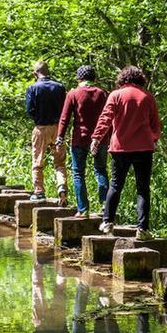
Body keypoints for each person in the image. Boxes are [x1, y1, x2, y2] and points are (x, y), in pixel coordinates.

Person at [90, 65, 161, 241]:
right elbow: (155, 125)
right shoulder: (147, 97)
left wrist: (96, 139)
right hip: (144, 148)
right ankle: (143, 229)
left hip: (120, 148)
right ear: (140, 79)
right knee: (143, 189)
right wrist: (154, 139)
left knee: (115, 185)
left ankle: (107, 222)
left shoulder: (116, 95)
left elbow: (105, 118)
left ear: (122, 79)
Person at [56, 64, 109, 218]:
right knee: (101, 170)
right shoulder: (103, 93)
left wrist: (60, 136)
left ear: (78, 78)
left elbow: (65, 118)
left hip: (80, 139)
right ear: (95, 78)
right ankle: (105, 205)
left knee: (78, 173)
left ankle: (83, 209)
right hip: (100, 139)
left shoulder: (73, 94)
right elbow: (109, 117)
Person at [25, 60, 68, 203]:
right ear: (48, 72)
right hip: (58, 128)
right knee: (60, 163)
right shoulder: (60, 87)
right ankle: (62, 188)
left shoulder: (32, 88)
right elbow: (65, 109)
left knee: (37, 161)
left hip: (41, 128)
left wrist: (38, 117)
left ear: (35, 73)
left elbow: (29, 110)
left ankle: (39, 192)